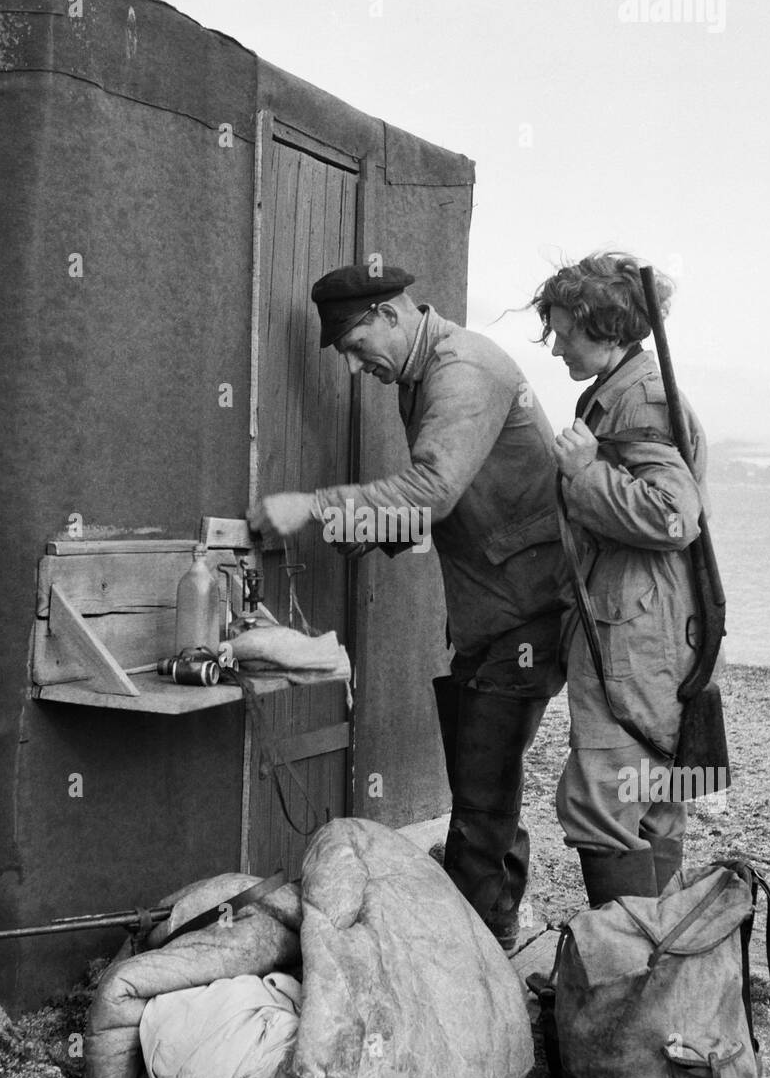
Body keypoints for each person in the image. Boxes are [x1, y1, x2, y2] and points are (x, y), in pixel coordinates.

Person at [248, 264, 569, 949]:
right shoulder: (421, 374)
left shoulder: (462, 371)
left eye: (358, 349)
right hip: (490, 612)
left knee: (483, 797)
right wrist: (342, 538)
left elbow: (431, 493)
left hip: (526, 614)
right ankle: (497, 938)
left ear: (391, 314)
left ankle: (476, 956)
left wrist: (312, 507)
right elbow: (422, 515)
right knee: (486, 782)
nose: (359, 369)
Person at [532, 251, 709, 906]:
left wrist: (586, 473)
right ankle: (656, 979)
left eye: (561, 331)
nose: (554, 347)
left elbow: (673, 516)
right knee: (653, 799)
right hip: (649, 631)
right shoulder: (632, 388)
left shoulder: (639, 397)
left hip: (635, 640)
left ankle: (627, 984)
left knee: (603, 801)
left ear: (598, 324)